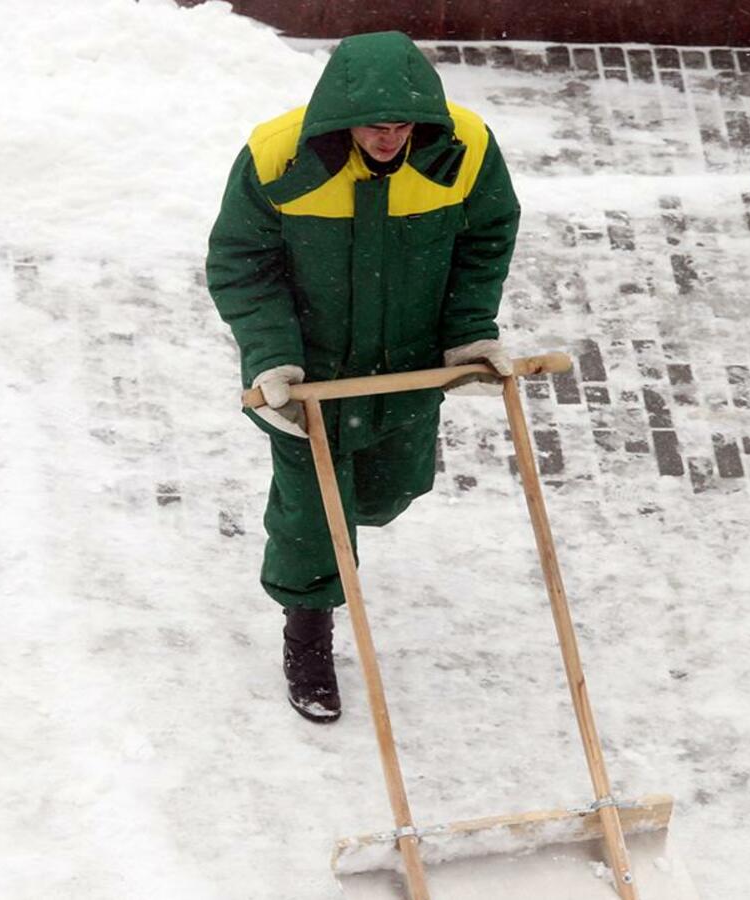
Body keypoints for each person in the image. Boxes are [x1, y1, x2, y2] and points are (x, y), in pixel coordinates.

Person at [206, 31, 520, 723]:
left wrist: (468, 330)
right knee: (315, 515)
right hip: (308, 376)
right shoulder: (279, 157)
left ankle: (347, 530)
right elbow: (240, 261)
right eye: (375, 125)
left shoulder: (463, 149)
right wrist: (271, 357)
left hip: (405, 368)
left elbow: (487, 236)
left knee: (384, 492)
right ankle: (307, 637)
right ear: (341, 115)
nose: (388, 139)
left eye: (402, 125)